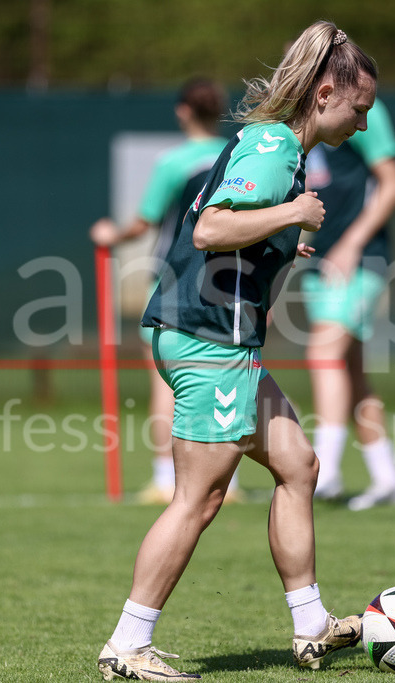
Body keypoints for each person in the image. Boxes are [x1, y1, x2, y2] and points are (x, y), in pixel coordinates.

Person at [96, 21, 378, 680]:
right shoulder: (277, 147)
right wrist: (291, 216)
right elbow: (210, 228)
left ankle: (311, 625)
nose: (362, 124)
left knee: (298, 464)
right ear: (326, 93)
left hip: (217, 337)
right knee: (199, 498)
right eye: (358, 109)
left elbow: (230, 233)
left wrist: (280, 241)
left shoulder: (276, 145)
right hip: (208, 340)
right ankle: (127, 644)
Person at [89, 77, 242, 505]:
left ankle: (164, 478)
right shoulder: (239, 157)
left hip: (175, 283)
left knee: (168, 386)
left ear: (182, 111)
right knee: (229, 380)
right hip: (230, 284)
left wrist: (109, 235)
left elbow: (144, 223)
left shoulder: (173, 162)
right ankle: (225, 482)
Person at [302, 99, 395, 511]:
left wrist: (351, 243)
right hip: (320, 260)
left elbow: (393, 183)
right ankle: (387, 477)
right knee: (351, 371)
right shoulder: (297, 118)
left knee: (323, 352)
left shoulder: (363, 110)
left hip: (357, 258)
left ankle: (324, 470)